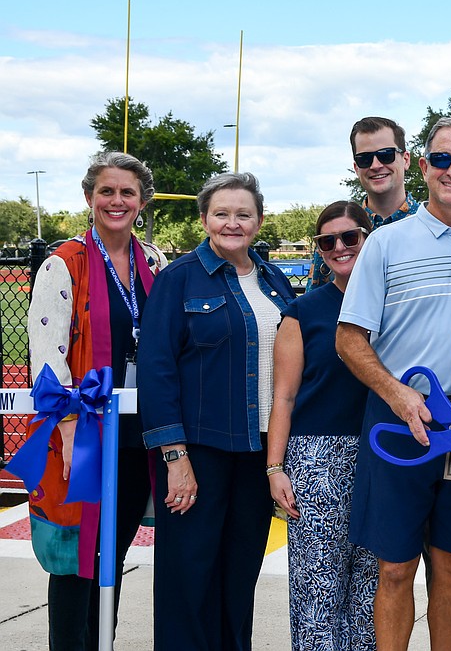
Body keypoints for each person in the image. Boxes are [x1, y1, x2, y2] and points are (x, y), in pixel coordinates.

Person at [336, 117, 451, 650]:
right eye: (441, 159)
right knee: (394, 569)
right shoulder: (385, 244)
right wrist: (397, 393)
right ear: (422, 167)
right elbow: (349, 340)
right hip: (397, 426)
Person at [138, 172, 296, 650]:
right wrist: (174, 457)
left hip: (256, 455)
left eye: (243, 214)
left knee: (238, 576)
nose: (233, 223)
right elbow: (157, 369)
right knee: (189, 580)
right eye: (222, 213)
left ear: (259, 220)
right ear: (205, 218)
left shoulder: (275, 280)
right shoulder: (179, 279)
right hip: (199, 453)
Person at [24, 151, 167, 650]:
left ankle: (99, 642)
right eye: (106, 191)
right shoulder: (64, 265)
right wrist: (65, 429)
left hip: (135, 433)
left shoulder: (152, 261)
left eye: (128, 192)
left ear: (142, 201)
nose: (117, 201)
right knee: (74, 561)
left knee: (111, 554)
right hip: (82, 434)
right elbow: (48, 358)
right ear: (89, 197)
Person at [267, 202, 377, 650]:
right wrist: (276, 469)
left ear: (369, 239)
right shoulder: (303, 312)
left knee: (372, 586)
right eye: (327, 241)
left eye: (349, 237)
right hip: (319, 459)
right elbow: (284, 397)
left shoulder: (392, 302)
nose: (339, 247)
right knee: (318, 588)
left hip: (382, 452)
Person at [305, 116, 419, 291]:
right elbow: (314, 307)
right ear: (356, 167)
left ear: (405, 159)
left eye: (386, 155)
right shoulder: (337, 233)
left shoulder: (431, 225)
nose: (375, 165)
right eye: (365, 159)